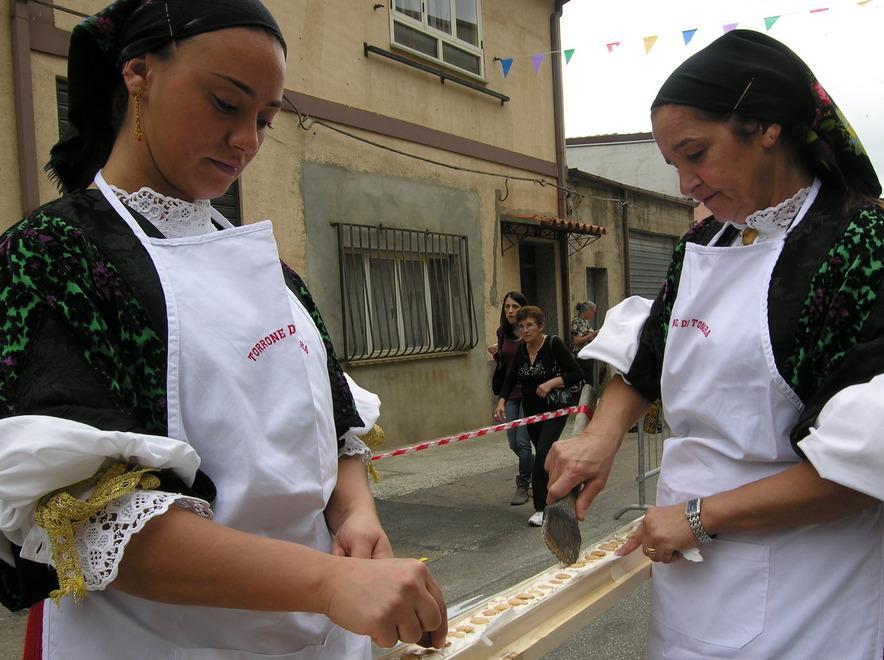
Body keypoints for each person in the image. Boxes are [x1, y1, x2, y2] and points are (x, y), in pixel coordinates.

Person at [0, 1, 447, 658]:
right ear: (139, 74)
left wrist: (354, 514)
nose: (248, 140)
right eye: (225, 104)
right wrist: (329, 580)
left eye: (265, 118)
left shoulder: (277, 278)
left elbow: (336, 427)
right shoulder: (56, 257)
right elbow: (95, 521)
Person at [545, 29, 884, 659]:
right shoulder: (706, 245)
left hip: (810, 584)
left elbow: (862, 470)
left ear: (766, 128)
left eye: (695, 154)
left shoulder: (857, 249)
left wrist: (700, 516)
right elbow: (650, 360)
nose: (686, 185)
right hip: (695, 570)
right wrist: (599, 435)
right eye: (674, 164)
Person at [495, 307, 582, 527]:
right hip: (532, 412)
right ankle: (570, 485)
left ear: (541, 326)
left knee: (543, 451)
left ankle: (542, 508)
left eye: (530, 325)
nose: (525, 330)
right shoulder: (521, 351)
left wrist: (552, 382)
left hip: (555, 409)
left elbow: (576, 373)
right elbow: (510, 378)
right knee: (545, 456)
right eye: (521, 326)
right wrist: (502, 401)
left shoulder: (553, 344)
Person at [488, 291, 533, 505]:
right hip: (509, 394)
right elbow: (506, 362)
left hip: (529, 394)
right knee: (513, 443)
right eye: (507, 307)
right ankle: (538, 467)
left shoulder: (530, 332)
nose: (510, 311)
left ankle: (523, 485)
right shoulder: (502, 332)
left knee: (523, 442)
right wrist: (497, 354)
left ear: (523, 308)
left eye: (515, 306)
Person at [569, 301, 598, 387]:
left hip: (587, 355)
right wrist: (592, 335)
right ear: (587, 311)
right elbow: (576, 341)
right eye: (593, 312)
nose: (593, 315)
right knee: (586, 381)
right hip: (582, 356)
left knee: (589, 381)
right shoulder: (577, 321)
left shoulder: (585, 322)